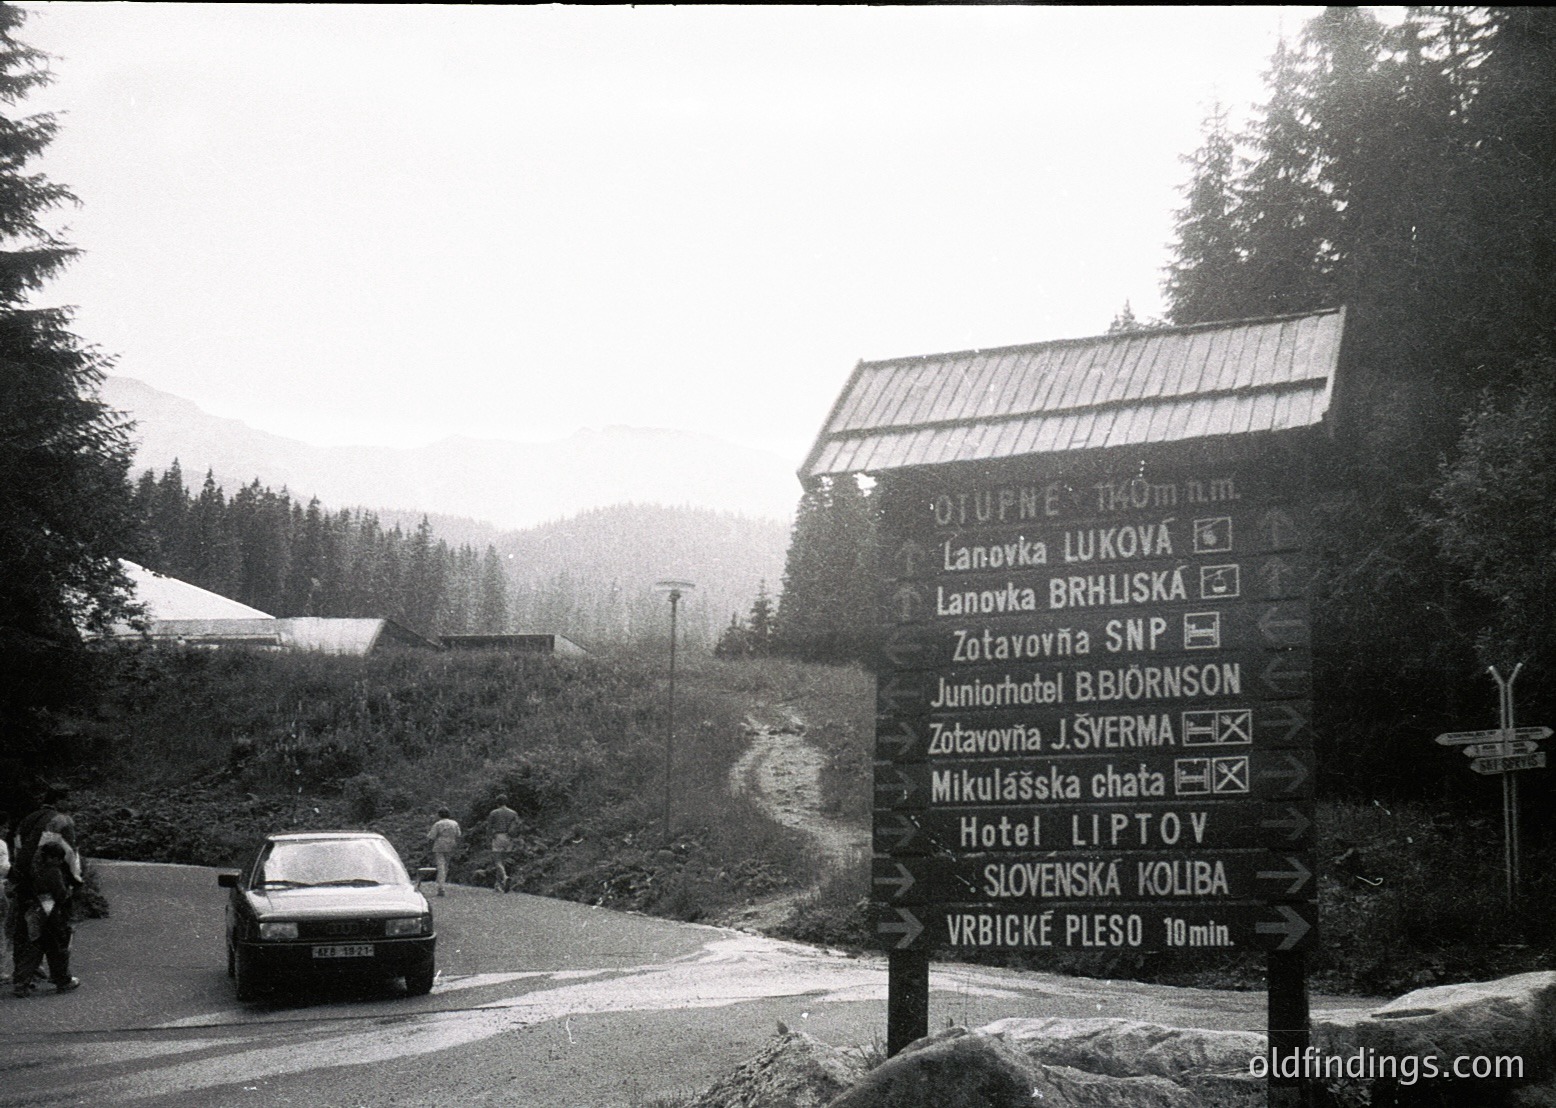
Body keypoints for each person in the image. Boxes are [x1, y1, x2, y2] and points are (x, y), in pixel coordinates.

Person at [13, 840, 79, 996]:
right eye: (58, 858)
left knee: (33, 947)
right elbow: (60, 894)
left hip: (34, 910)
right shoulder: (53, 871)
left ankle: (21, 982)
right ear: (52, 858)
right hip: (51, 912)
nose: (60, 862)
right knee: (57, 947)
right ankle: (62, 980)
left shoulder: (33, 868)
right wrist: (68, 894)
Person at [484, 794, 521, 893]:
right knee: (503, 861)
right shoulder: (513, 813)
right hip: (509, 838)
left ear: (497, 802)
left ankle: (504, 877)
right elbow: (518, 825)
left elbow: (489, 827)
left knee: (497, 861)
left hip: (498, 836)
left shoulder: (494, 813)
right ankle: (498, 884)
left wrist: (488, 839)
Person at [425, 807, 461, 897]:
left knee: (440, 864)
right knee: (446, 865)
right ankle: (442, 884)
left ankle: (441, 886)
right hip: (451, 844)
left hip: (440, 844)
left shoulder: (438, 824)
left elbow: (431, 836)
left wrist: (429, 847)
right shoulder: (454, 823)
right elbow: (458, 835)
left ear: (439, 815)